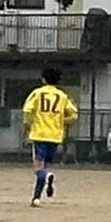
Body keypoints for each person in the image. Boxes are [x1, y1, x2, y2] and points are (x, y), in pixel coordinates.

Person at [23, 65, 78, 203]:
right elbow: (74, 115)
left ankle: (46, 179)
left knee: (38, 168)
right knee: (45, 166)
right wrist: (62, 121)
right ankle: (36, 197)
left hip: (39, 134)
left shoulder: (37, 93)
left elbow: (27, 110)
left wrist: (28, 124)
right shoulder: (62, 96)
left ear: (43, 79)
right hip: (55, 135)